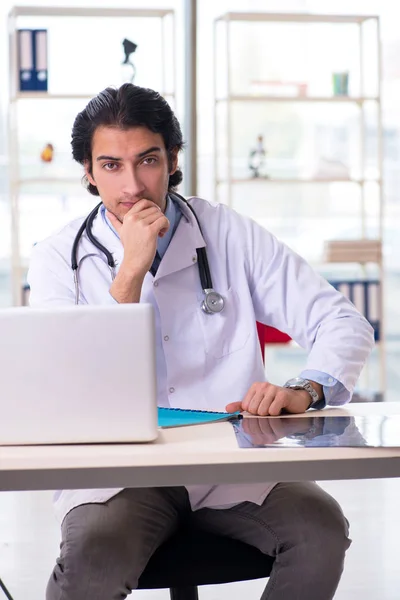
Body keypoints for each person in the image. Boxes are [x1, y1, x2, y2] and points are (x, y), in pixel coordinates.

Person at [27, 83, 375, 600]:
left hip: (230, 462)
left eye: (147, 160)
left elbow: (342, 321)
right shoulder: (59, 256)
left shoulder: (227, 232)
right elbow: (70, 384)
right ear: (87, 170)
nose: (132, 186)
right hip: (120, 473)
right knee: (91, 560)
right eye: (110, 165)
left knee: (320, 531)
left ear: (172, 158)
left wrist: (303, 389)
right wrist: (130, 272)